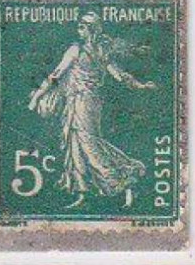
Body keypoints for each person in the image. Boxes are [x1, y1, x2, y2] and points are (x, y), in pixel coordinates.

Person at [28, 11, 156, 208]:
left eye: (82, 27)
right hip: (82, 102)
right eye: (79, 26)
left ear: (91, 30)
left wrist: (37, 96)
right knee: (76, 144)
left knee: (89, 144)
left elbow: (56, 75)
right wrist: (140, 85)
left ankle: (124, 180)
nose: (79, 30)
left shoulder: (78, 50)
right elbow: (118, 75)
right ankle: (82, 193)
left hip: (84, 103)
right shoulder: (97, 52)